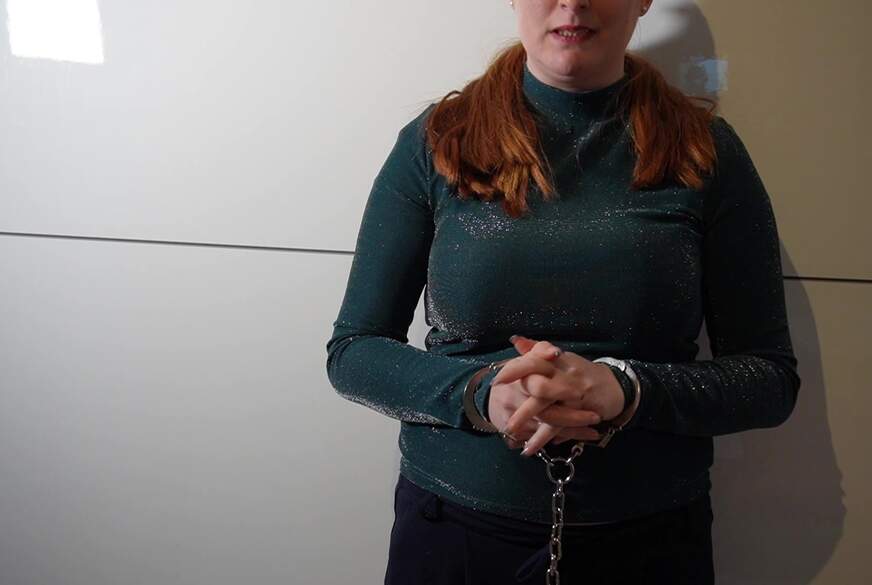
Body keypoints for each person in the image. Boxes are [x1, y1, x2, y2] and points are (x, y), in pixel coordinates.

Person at [325, 0, 801, 583]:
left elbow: (770, 380)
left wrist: (627, 390)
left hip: (651, 545)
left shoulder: (706, 151)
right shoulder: (439, 141)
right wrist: (479, 394)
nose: (572, 3)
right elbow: (354, 351)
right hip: (453, 538)